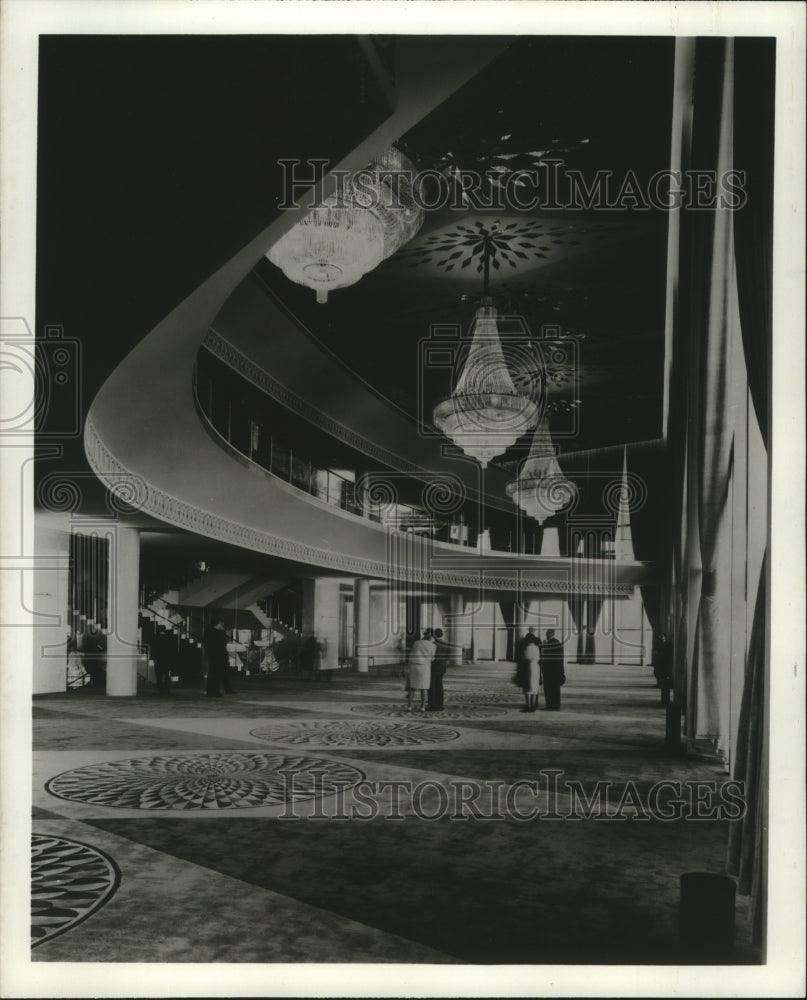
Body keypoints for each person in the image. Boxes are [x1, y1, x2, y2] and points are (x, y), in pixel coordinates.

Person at [205, 618, 236, 696]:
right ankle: (213, 691)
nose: (223, 626)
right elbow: (222, 644)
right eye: (222, 624)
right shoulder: (217, 633)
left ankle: (225, 689)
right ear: (219, 623)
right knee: (215, 674)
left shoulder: (210, 632)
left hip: (217, 655)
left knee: (221, 673)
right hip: (217, 656)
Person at [406, 629, 434, 712]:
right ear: (431, 636)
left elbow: (411, 655)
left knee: (412, 687)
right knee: (424, 688)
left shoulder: (416, 643)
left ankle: (409, 706)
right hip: (425, 666)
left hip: (414, 665)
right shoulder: (433, 645)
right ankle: (422, 707)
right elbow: (432, 658)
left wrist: (408, 666)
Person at [541, 628, 565, 711]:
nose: (546, 635)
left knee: (548, 689)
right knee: (556, 689)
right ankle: (556, 706)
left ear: (549, 634)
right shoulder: (558, 643)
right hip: (557, 670)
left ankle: (550, 706)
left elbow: (546, 658)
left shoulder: (549, 644)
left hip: (549, 671)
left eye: (546, 634)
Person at [427, 628, 449, 711]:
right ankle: (440, 705)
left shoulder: (432, 644)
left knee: (432, 686)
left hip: (432, 667)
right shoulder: (446, 644)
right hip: (441, 667)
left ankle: (432, 705)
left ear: (434, 635)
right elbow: (448, 657)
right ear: (442, 635)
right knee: (440, 685)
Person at [520, 633, 542, 712]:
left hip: (529, 667)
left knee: (528, 686)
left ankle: (528, 705)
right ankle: (533, 705)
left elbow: (526, 658)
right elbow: (539, 658)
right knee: (535, 686)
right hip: (536, 667)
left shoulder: (527, 647)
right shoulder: (536, 647)